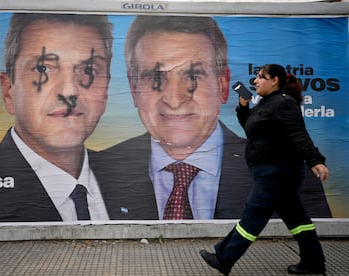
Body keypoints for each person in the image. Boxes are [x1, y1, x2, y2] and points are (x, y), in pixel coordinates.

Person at [96, 16, 331, 220]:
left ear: (223, 84)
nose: (174, 99)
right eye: (154, 77)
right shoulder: (93, 174)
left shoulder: (287, 170)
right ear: (133, 87)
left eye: (193, 75)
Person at [0, 13, 113, 223]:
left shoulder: (134, 176)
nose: (69, 90)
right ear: (9, 91)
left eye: (89, 70)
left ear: (106, 89)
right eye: (42, 68)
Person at [199, 64, 328, 275]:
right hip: (275, 172)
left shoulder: (284, 103)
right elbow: (253, 129)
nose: (256, 81)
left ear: (274, 80)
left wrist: (315, 160)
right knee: (298, 221)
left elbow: (299, 134)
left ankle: (224, 258)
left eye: (260, 77)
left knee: (252, 216)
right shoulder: (268, 103)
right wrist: (243, 107)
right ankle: (313, 262)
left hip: (276, 172)